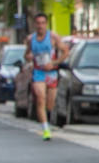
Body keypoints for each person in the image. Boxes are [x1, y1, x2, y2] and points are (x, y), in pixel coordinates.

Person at [24, 13, 67, 141]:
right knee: (40, 98)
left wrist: (53, 63)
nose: (40, 26)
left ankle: (47, 117)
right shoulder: (31, 39)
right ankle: (45, 129)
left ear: (46, 24)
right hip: (38, 72)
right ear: (35, 25)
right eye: (38, 23)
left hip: (51, 73)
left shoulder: (53, 37)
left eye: (43, 23)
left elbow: (66, 52)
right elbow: (26, 54)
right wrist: (29, 58)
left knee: (50, 103)